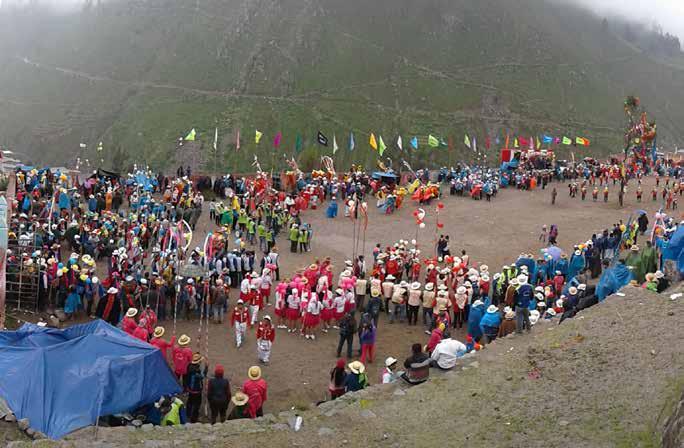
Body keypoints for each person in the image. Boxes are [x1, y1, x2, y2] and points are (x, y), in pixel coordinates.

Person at [184, 353, 208, 423]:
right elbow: (203, 376)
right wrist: (206, 367)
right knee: (197, 404)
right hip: (196, 389)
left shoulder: (189, 366)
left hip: (189, 387)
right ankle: (194, 418)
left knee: (190, 401)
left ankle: (188, 413)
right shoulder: (197, 370)